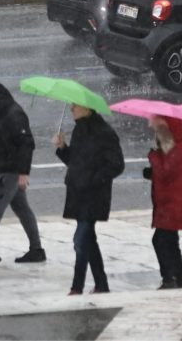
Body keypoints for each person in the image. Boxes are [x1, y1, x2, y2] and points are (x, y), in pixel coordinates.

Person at [53, 104, 124, 295]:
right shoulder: (79, 130)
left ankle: (77, 286)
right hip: (78, 193)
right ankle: (101, 284)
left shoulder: (104, 132)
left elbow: (117, 164)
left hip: (94, 194)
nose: (71, 110)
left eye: (75, 106)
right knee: (88, 240)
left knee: (81, 239)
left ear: (88, 109)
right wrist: (63, 148)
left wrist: (94, 179)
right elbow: (75, 162)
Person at [0, 81, 46, 263]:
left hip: (12, 171)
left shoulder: (14, 115)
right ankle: (36, 249)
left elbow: (26, 144)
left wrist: (24, 173)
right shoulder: (0, 113)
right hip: (4, 167)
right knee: (22, 209)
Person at [144, 115, 182, 289]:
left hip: (173, 204)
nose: (153, 130)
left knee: (161, 240)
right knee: (170, 241)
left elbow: (166, 173)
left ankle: (169, 278)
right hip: (169, 202)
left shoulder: (178, 149)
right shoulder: (170, 148)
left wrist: (153, 156)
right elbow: (166, 173)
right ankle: (179, 277)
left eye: (156, 128)